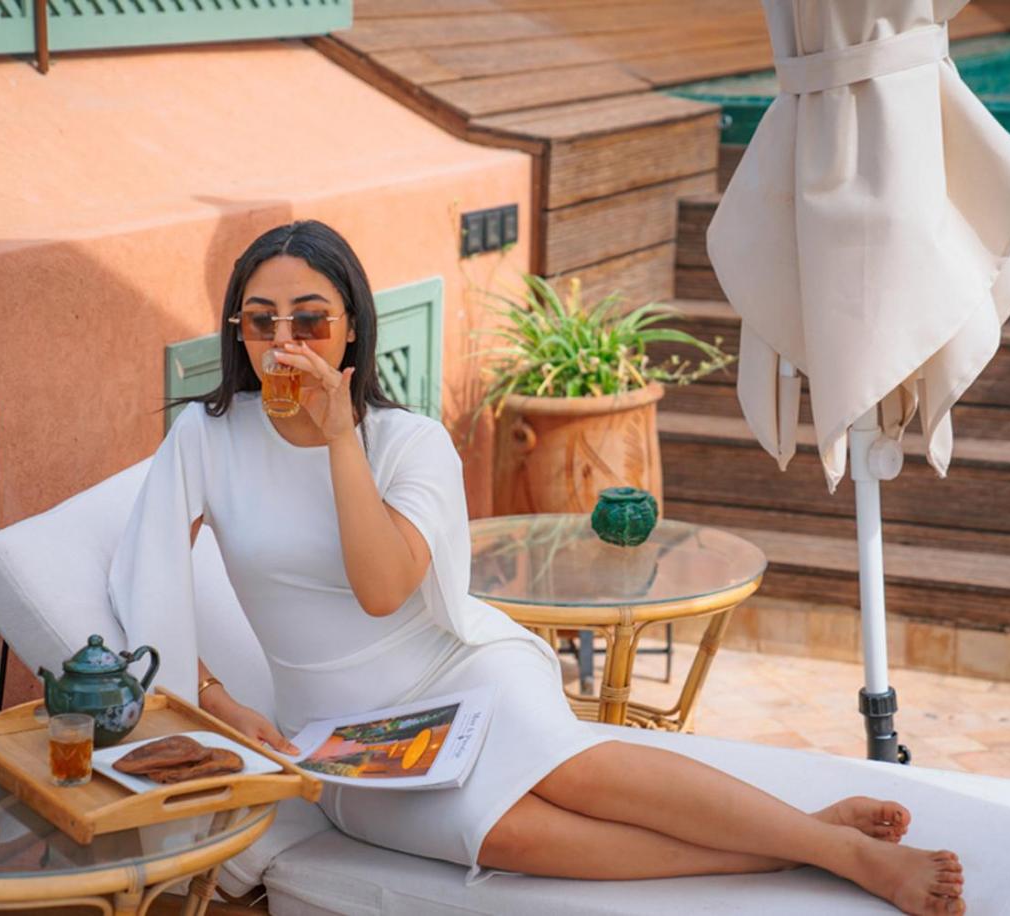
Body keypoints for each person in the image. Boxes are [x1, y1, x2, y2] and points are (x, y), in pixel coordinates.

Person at [108, 220, 965, 915]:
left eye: (309, 321)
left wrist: (339, 441)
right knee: (506, 836)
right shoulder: (207, 439)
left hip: (456, 672)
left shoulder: (407, 443)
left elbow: (381, 591)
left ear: (352, 327)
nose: (282, 342)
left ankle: (845, 856)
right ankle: (802, 842)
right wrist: (217, 698)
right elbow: (143, 581)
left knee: (568, 770)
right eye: (259, 321)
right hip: (335, 736)